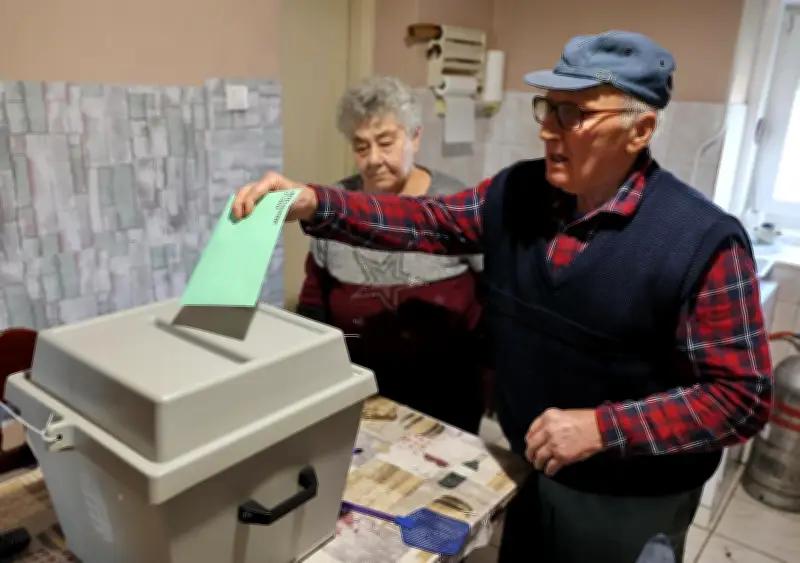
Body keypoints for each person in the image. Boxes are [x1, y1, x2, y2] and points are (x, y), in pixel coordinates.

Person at [232, 31, 773, 563]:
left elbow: (740, 397)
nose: (549, 132)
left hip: (629, 499)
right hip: (527, 463)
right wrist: (314, 203)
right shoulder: (518, 192)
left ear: (641, 129)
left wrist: (603, 428)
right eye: (548, 108)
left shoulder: (700, 240)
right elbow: (430, 219)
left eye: (575, 114)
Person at [296, 75, 486, 434]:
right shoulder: (334, 208)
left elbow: (491, 296)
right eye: (361, 146)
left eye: (386, 143)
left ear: (415, 136)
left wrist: (492, 371)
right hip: (360, 390)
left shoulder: (454, 204)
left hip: (446, 391)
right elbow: (313, 302)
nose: (374, 159)